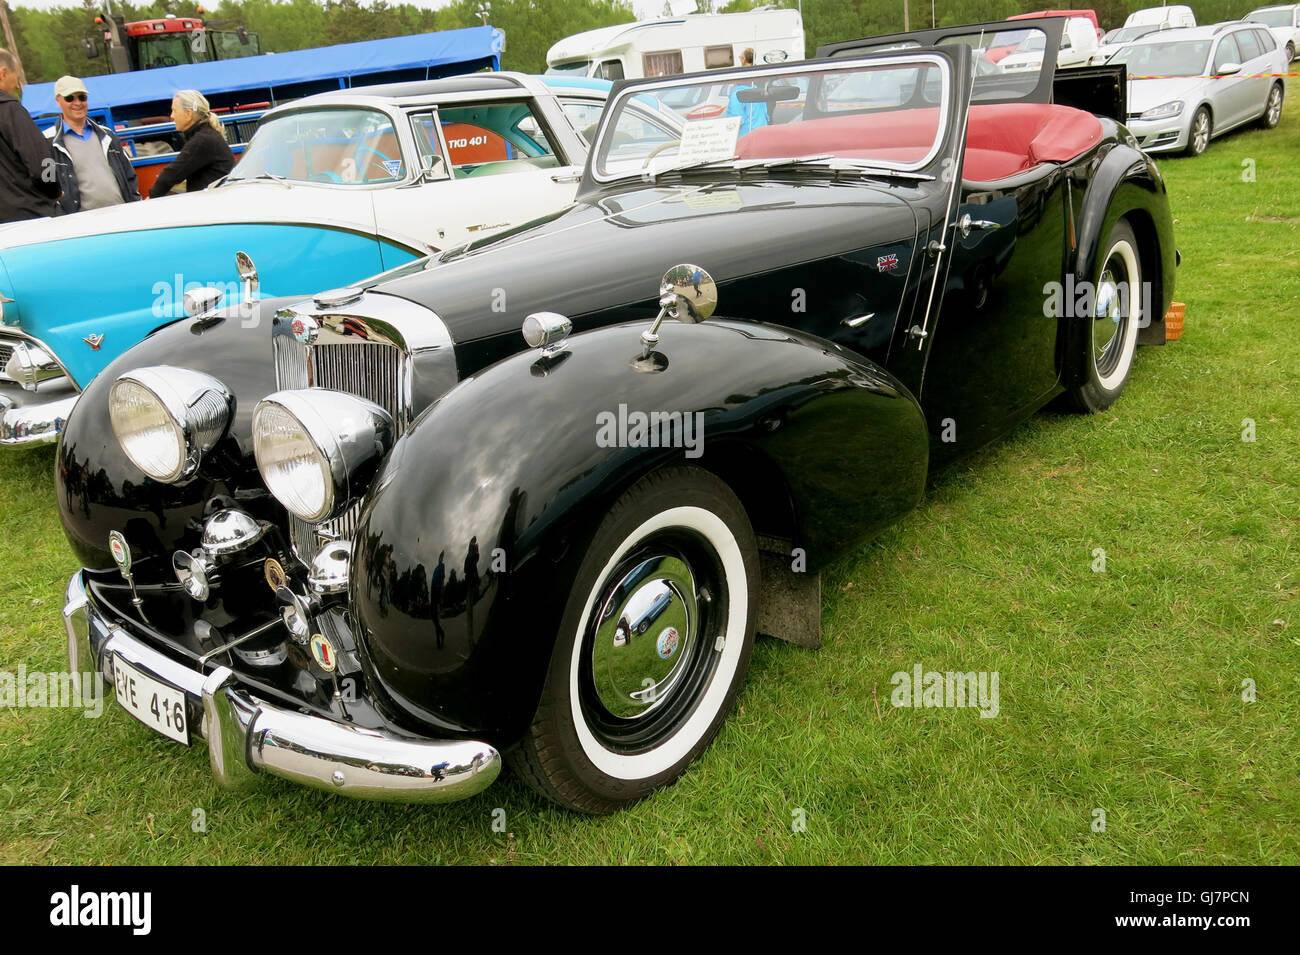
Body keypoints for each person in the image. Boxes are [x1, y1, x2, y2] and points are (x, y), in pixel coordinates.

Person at [44, 76, 140, 214]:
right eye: (70, 98)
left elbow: (129, 175)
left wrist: (135, 206)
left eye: (82, 97)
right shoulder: (47, 142)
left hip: (121, 215)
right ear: (58, 101)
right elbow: (46, 187)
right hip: (81, 226)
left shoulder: (108, 136)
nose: (77, 103)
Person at [0, 48, 59, 223]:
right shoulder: (10, 110)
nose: (18, 86)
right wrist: (54, 190)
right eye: (16, 78)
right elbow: (41, 162)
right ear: (3, 73)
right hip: (28, 217)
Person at [148, 90, 234, 198]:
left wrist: (151, 198)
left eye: (174, 110)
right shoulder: (206, 135)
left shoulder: (202, 140)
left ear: (188, 114)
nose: (172, 116)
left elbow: (170, 175)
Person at [725, 47, 770, 138]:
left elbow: (735, 122)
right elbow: (766, 115)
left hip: (747, 140)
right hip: (763, 136)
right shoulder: (759, 91)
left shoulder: (737, 95)